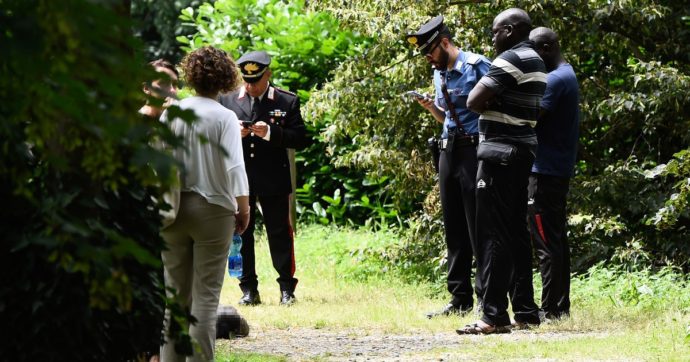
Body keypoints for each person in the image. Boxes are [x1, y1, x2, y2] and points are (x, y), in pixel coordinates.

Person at [458, 8, 547, 334]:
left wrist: (489, 99)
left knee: (493, 231)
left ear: (510, 30)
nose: (492, 37)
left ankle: (493, 315)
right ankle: (525, 309)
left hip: (499, 153)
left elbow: (473, 100)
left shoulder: (511, 58)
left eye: (496, 31)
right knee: (514, 231)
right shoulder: (536, 59)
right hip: (521, 151)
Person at [159, 46, 250, 361]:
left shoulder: (172, 113)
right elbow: (235, 168)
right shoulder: (225, 117)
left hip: (172, 209)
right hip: (214, 212)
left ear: (190, 76)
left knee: (175, 300)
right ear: (225, 79)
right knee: (205, 300)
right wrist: (244, 208)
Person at [406, 15, 491, 318]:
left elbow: (496, 107)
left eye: (430, 52)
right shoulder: (438, 72)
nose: (429, 59)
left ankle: (486, 297)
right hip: (448, 152)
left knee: (477, 226)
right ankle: (459, 298)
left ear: (444, 43)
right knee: (453, 227)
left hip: (473, 152)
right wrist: (433, 109)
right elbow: (449, 117)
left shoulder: (477, 66)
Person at [219, 50, 309, 306]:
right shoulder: (227, 100)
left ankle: (286, 288)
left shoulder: (286, 100)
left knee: (280, 232)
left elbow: (300, 138)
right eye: (246, 81)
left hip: (274, 177)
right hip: (240, 178)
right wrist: (234, 134)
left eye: (255, 80)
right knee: (241, 233)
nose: (250, 86)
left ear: (267, 74)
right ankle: (248, 289)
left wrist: (272, 133)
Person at [527, 27, 580, 322]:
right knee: (556, 238)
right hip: (555, 170)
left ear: (546, 48)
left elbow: (531, 119)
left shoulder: (555, 79)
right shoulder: (566, 74)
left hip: (544, 172)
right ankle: (560, 305)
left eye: (533, 53)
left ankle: (550, 309)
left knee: (545, 241)